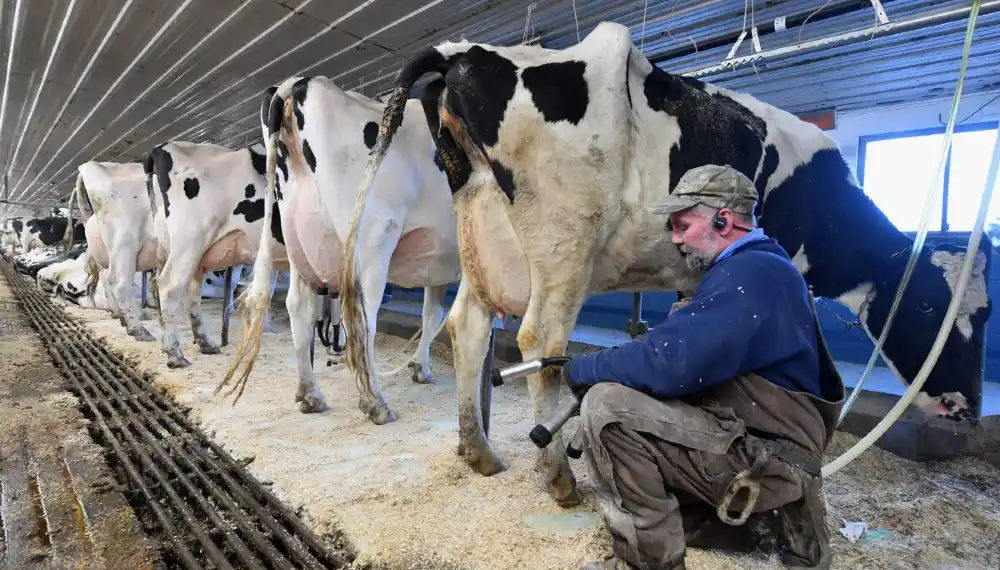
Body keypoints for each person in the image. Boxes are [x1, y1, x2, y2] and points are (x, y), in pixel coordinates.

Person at [563, 164, 846, 570]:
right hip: (758, 440)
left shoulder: (753, 273)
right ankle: (757, 525)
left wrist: (583, 368)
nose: (676, 239)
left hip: (765, 455)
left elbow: (670, 364)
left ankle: (646, 563)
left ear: (723, 219)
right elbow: (680, 355)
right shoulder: (761, 268)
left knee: (608, 409)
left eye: (682, 225)